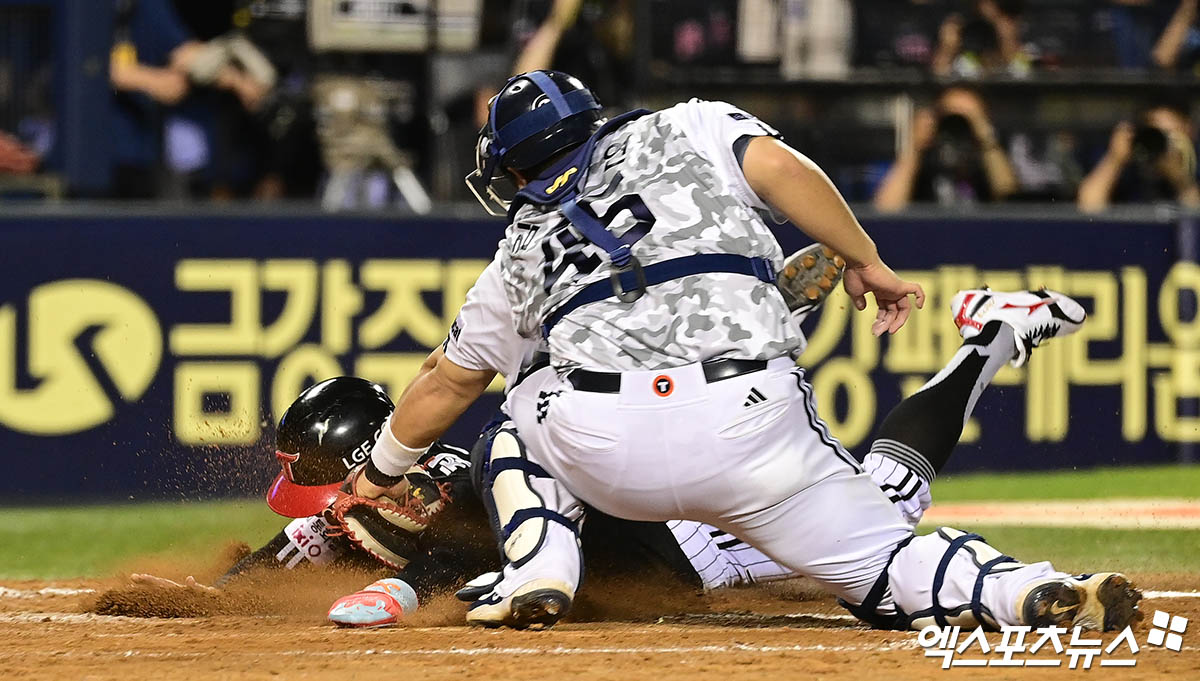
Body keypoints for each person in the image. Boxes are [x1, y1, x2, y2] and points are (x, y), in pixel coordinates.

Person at [328, 69, 1141, 633]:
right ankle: (1022, 586)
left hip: (603, 444)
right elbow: (785, 169)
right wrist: (865, 259)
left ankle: (541, 562)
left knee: (521, 397)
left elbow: (450, 379)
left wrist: (379, 473)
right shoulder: (691, 122)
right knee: (890, 555)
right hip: (753, 425)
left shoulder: (520, 246)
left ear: (514, 167)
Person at [874, 86, 1019, 212]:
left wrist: (986, 139)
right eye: (950, 117)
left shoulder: (988, 158)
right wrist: (914, 149)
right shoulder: (924, 160)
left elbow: (1011, 202)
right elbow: (886, 210)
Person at [1077, 102, 1200, 213]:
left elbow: (1195, 219)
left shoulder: (1195, 164)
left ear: (1189, 131)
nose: (1161, 142)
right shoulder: (1128, 169)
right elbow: (1088, 210)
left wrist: (1181, 180)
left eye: (1171, 134)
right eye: (1155, 134)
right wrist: (1114, 160)